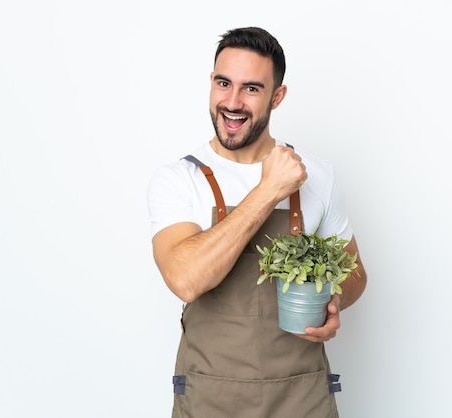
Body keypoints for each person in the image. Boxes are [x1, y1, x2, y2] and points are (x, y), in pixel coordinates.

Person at [147, 26, 367, 418]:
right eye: (223, 83)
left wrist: (333, 301)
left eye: (251, 88)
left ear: (277, 96)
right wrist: (269, 190)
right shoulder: (179, 179)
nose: (232, 102)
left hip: (303, 398)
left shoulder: (319, 174)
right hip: (210, 399)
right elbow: (186, 279)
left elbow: (355, 275)